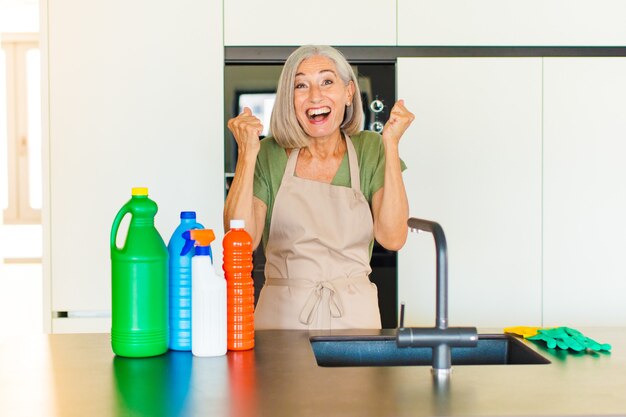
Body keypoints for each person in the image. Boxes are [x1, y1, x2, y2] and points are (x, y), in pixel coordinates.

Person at [224, 45, 414, 330]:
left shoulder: (371, 149)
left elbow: (393, 237)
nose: (315, 96)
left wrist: (391, 144)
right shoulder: (268, 153)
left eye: (327, 81)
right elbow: (242, 241)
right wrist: (247, 154)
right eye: (301, 85)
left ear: (348, 92)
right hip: (281, 322)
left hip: (355, 321)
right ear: (290, 100)